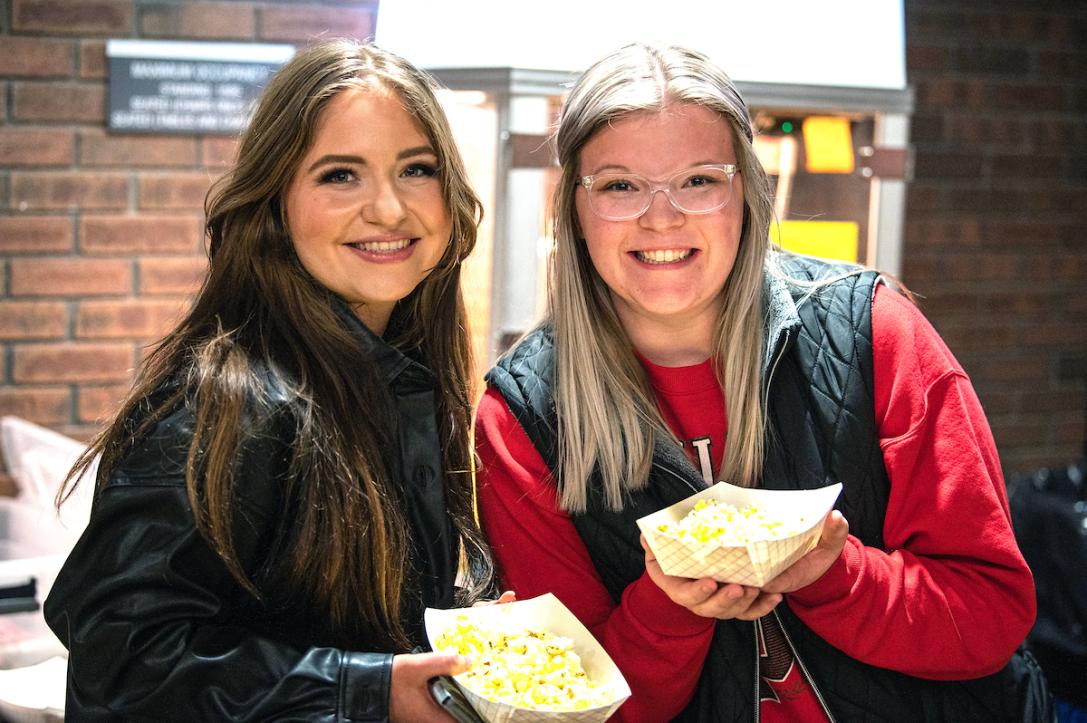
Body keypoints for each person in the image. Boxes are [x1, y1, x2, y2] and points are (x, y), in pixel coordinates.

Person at [475, 43, 1049, 721]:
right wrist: (666, 606)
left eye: (698, 180)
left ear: (745, 189)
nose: (662, 217)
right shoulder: (522, 416)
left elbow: (988, 617)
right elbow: (576, 703)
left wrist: (832, 575)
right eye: (619, 185)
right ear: (572, 205)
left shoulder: (875, 331)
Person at [44, 39, 494, 721]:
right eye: (340, 175)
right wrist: (367, 690)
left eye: (416, 169)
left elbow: (320, 616)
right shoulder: (226, 401)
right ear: (274, 199)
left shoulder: (394, 377)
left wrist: (467, 632)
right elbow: (122, 656)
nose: (390, 209)